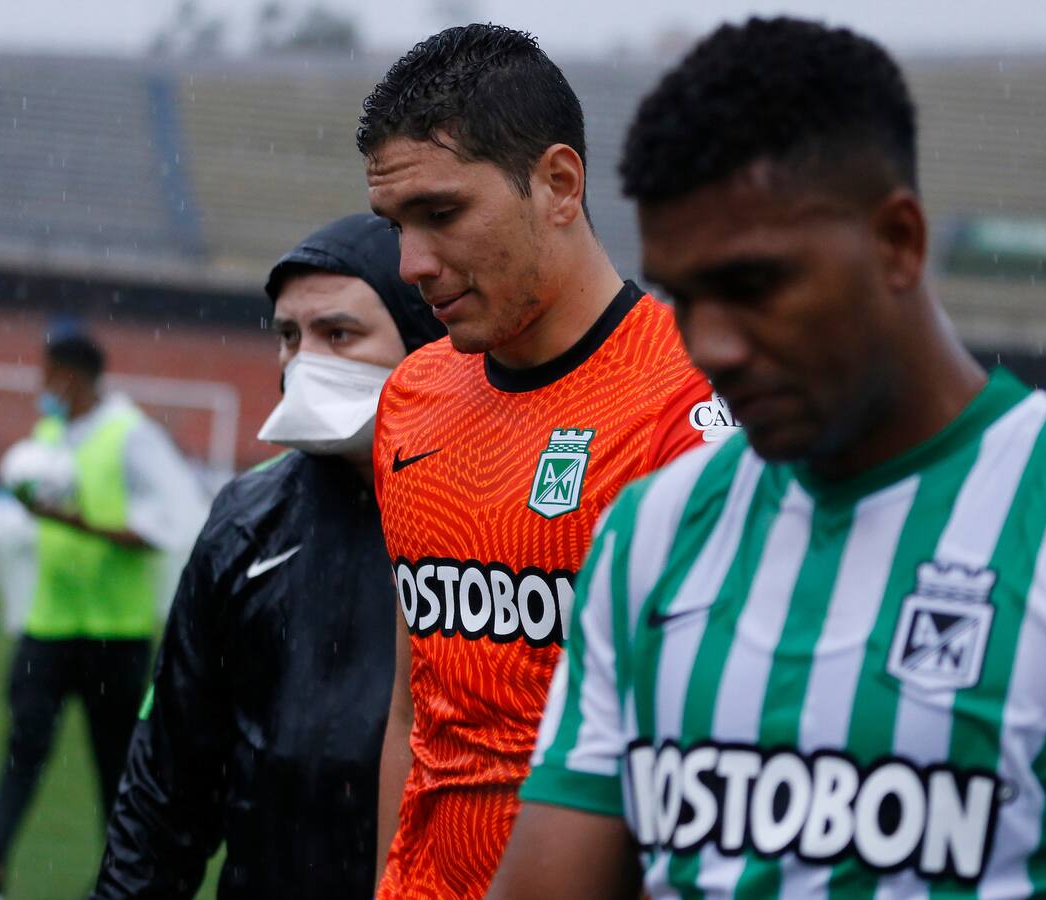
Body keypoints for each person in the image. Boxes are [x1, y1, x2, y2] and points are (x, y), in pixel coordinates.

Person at [492, 16, 1046, 899]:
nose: (710, 345)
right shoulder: (651, 533)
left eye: (754, 285)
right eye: (684, 296)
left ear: (898, 242)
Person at [358, 24, 727, 898]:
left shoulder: (691, 412)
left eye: (442, 214)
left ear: (559, 184)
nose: (410, 264)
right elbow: (417, 711)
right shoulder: (411, 397)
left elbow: (705, 755)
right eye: (395, 224)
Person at [90, 214, 445, 899]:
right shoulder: (245, 520)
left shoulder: (491, 520)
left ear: (423, 341)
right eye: (288, 336)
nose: (302, 361)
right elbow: (166, 786)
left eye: (338, 334)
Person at [0, 334, 207, 900]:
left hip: (115, 634)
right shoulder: (49, 437)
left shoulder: (131, 436)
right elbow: (31, 525)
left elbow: (173, 524)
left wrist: (74, 523)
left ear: (73, 377)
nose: (43, 388)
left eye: (49, 374)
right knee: (24, 746)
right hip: (49, 626)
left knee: (118, 768)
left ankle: (118, 881)